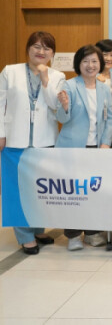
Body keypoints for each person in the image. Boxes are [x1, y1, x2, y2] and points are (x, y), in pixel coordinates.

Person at [0, 31, 64, 255]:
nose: (41, 51)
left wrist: (46, 80)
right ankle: (25, 236)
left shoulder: (57, 76)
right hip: (14, 140)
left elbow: (55, 107)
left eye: (47, 48)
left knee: (40, 190)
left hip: (45, 142)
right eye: (36, 46)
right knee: (16, 190)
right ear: (28, 49)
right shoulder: (10, 71)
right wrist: (0, 133)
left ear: (53, 53)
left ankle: (38, 229)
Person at [56, 44, 112, 251]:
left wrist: (106, 142)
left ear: (100, 64)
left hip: (96, 149)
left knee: (93, 191)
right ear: (78, 64)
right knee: (73, 192)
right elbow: (61, 118)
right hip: (72, 148)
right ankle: (73, 235)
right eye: (85, 61)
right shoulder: (70, 85)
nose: (90, 65)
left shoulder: (104, 88)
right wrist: (64, 107)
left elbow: (110, 118)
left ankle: (91, 233)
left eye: (94, 61)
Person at [96, 39, 112, 146]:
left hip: (111, 128)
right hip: (93, 128)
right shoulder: (90, 77)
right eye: (104, 54)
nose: (108, 58)